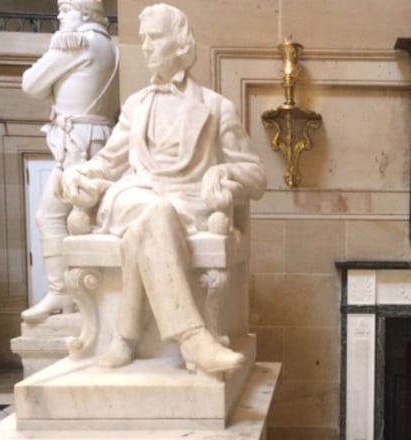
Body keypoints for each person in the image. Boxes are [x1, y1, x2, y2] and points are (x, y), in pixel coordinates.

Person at [59, 3, 267, 375]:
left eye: (155, 38)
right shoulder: (135, 106)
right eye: (143, 39)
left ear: (181, 45)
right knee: (154, 210)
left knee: (148, 225)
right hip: (132, 195)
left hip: (186, 204)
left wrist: (221, 170)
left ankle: (126, 332)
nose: (147, 47)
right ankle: (193, 338)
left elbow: (256, 177)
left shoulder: (216, 108)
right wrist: (75, 174)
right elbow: (108, 162)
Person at [20, 0, 119, 323]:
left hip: (78, 145)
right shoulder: (111, 45)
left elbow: (31, 83)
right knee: (88, 221)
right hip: (95, 139)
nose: (60, 16)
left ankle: (66, 293)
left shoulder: (76, 42)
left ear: (84, 11)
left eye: (66, 9)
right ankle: (79, 295)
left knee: (54, 216)